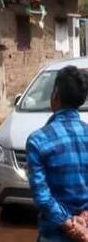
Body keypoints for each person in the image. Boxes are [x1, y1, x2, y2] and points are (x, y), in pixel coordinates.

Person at [26, 66, 88, 242]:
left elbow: (42, 197)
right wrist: (83, 222)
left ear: (55, 95)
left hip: (54, 236)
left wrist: (69, 224)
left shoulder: (38, 140)